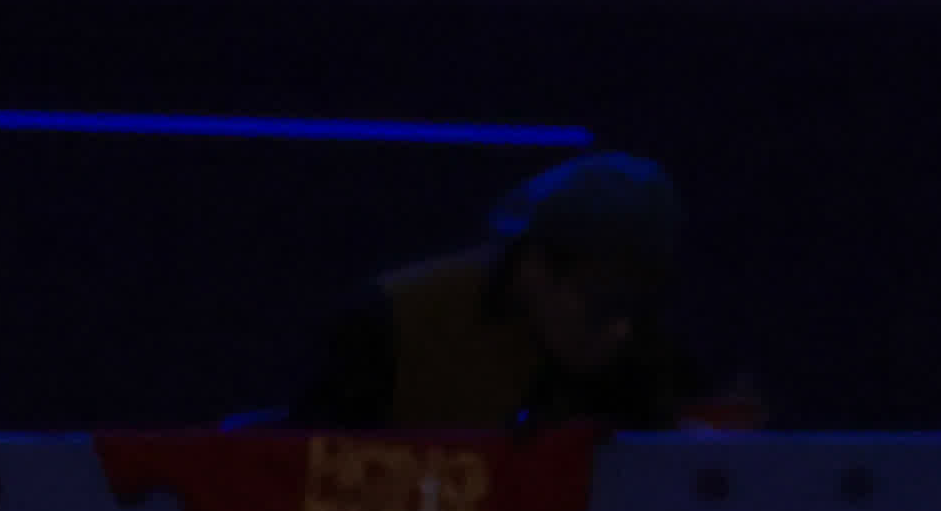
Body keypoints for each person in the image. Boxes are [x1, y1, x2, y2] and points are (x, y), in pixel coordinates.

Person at [295, 150, 700, 436]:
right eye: (600, 304)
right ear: (533, 268)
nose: (621, 331)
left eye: (636, 308)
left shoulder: (644, 354)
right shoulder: (391, 326)